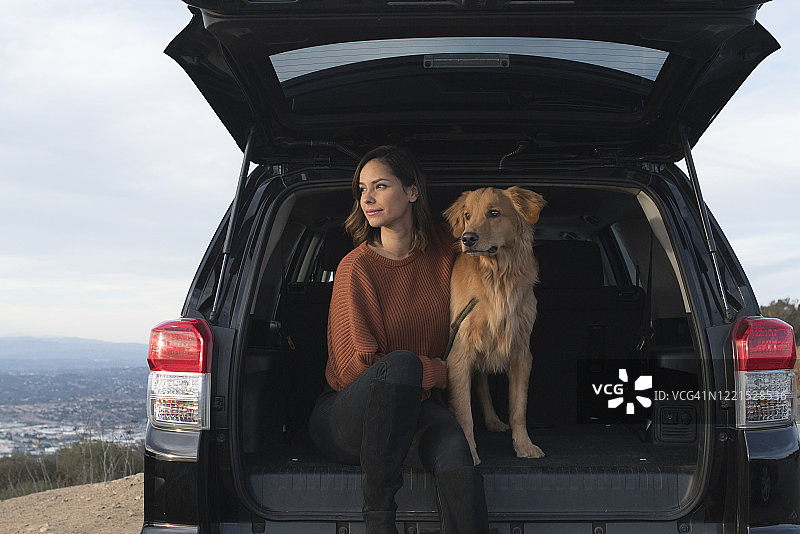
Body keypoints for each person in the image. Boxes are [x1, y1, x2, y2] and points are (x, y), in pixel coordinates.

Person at [308, 145, 489, 534]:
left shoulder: (445, 251)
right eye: (361, 189)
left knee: (457, 450)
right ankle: (378, 521)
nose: (367, 199)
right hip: (347, 419)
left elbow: (491, 240)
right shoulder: (356, 267)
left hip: (414, 408)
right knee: (404, 363)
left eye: (380, 186)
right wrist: (439, 372)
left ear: (412, 191)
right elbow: (355, 368)